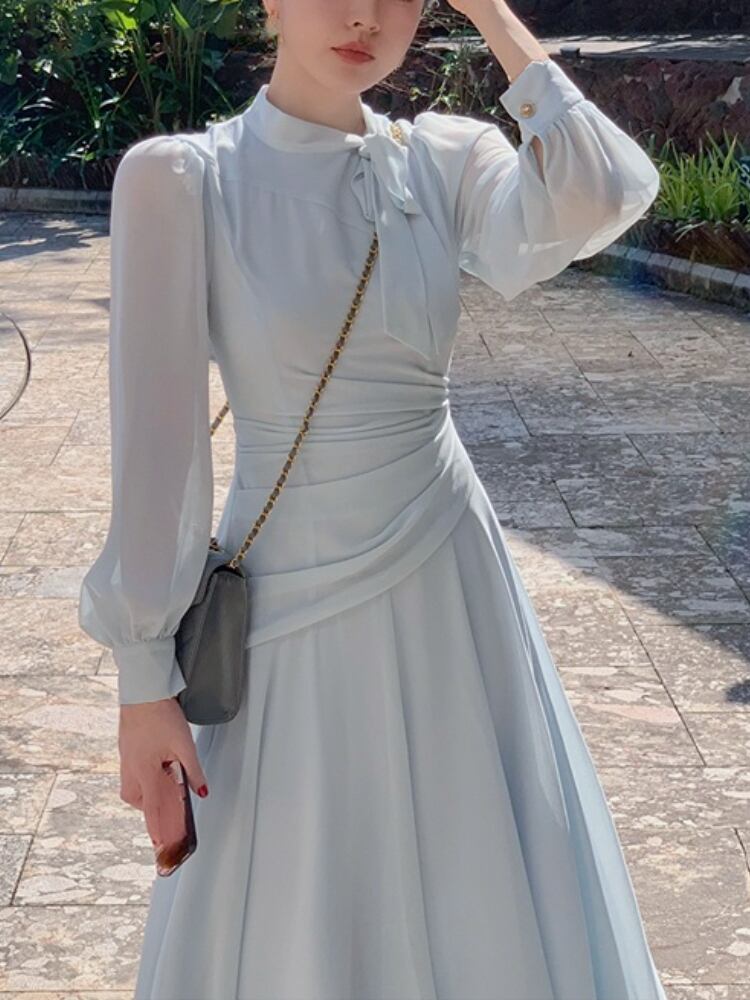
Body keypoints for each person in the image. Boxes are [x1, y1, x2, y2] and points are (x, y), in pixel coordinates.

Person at [77, 0, 667, 996]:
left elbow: (600, 191)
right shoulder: (182, 180)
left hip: (451, 579)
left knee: (478, 867)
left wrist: (493, 15)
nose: (366, 16)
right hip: (288, 605)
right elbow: (158, 449)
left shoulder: (443, 161)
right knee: (300, 888)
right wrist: (144, 680)